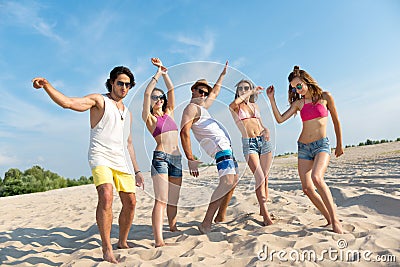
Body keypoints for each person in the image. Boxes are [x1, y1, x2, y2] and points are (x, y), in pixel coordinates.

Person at [32, 66, 145, 263]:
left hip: (122, 160)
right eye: (120, 83)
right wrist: (47, 86)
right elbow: (68, 103)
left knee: (131, 203)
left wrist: (137, 170)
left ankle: (122, 241)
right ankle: (107, 247)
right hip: (100, 156)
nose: (124, 88)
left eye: (128, 85)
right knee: (106, 196)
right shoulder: (99, 100)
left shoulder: (127, 112)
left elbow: (128, 143)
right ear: (112, 83)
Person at [266, 65, 343, 234]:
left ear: (307, 82)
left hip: (322, 145)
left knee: (317, 178)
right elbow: (280, 119)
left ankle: (336, 221)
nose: (297, 90)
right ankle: (329, 219)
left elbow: (336, 121)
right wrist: (271, 99)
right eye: (294, 88)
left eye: (299, 86)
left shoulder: (325, 97)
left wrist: (339, 144)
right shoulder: (299, 103)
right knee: (307, 188)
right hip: (303, 148)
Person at [180, 61, 238, 234]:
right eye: (201, 91)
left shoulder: (202, 107)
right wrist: (190, 158)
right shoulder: (191, 108)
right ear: (193, 90)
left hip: (226, 147)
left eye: (206, 93)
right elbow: (184, 132)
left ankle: (220, 216)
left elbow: (216, 91)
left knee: (232, 182)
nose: (204, 95)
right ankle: (206, 222)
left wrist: (222, 75)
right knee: (226, 182)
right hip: (219, 149)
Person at [142, 58, 182, 247]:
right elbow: (147, 92)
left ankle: (173, 228)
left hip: (177, 158)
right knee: (162, 200)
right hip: (161, 158)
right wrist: (157, 74)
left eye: (161, 97)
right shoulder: (149, 118)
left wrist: (165, 73)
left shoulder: (170, 113)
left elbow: (172, 90)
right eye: (155, 98)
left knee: (173, 199)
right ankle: (159, 240)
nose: (159, 99)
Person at [229, 79, 274, 226]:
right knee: (259, 177)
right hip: (249, 144)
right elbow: (234, 104)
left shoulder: (255, 106)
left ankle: (263, 208)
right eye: (241, 88)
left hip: (263, 141)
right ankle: (266, 216)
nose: (243, 90)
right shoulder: (235, 107)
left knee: (265, 177)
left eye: (246, 88)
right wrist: (251, 91)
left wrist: (266, 130)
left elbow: (260, 124)